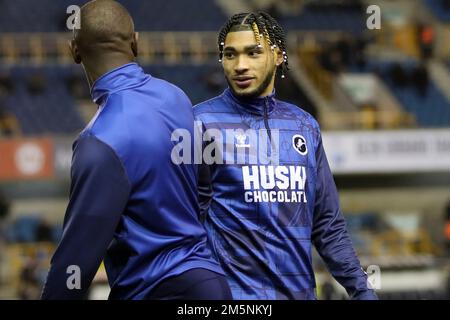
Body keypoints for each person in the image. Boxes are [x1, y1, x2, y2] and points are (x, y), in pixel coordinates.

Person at [41, 0, 230, 300]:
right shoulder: (177, 98)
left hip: (157, 291)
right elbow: (205, 186)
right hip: (210, 284)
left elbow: (76, 262)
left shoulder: (98, 141)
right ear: (136, 42)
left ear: (74, 51)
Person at [193, 12, 377, 300]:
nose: (240, 65)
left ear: (278, 56)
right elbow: (179, 225)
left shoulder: (305, 125)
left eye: (253, 53)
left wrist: (362, 290)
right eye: (230, 55)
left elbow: (328, 225)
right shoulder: (200, 123)